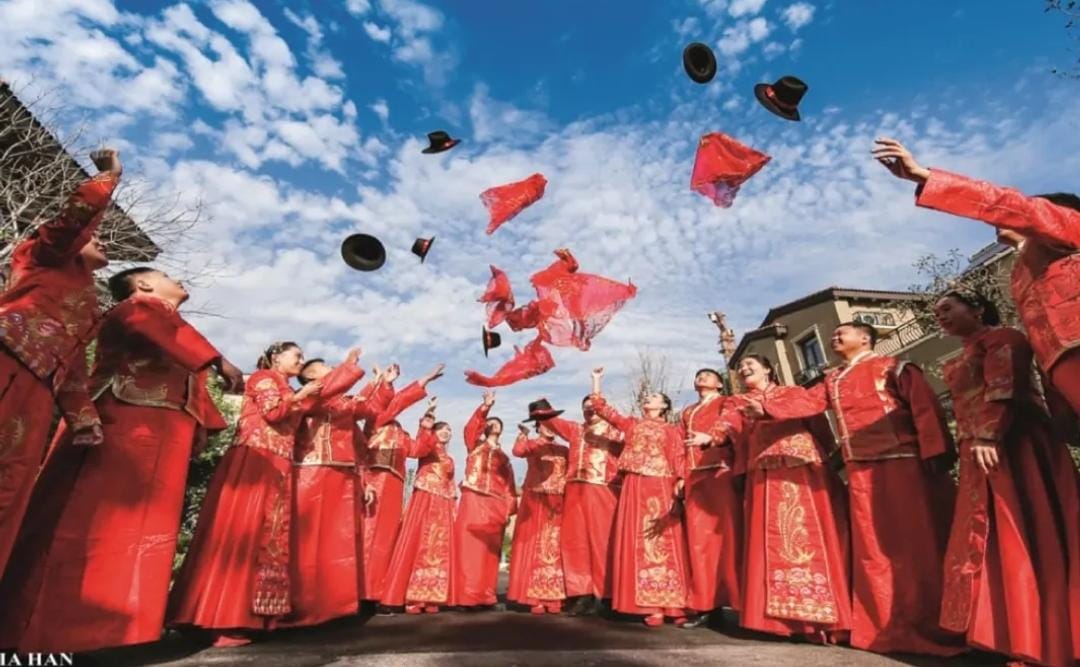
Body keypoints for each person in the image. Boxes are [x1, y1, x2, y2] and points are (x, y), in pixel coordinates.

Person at [0, 267, 243, 652]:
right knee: (88, 522)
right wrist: (216, 360)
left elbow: (185, 376)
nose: (179, 281)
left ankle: (118, 631)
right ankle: (43, 630)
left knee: (145, 531)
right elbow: (168, 334)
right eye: (165, 275)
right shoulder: (137, 309)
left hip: (161, 428)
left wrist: (200, 425)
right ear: (143, 284)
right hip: (121, 419)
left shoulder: (170, 326)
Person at [744, 321, 963, 655]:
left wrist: (936, 451)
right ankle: (886, 629)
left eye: (840, 332)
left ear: (865, 338)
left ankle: (934, 625)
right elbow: (807, 404)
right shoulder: (833, 379)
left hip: (902, 459)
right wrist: (767, 407)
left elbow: (924, 407)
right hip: (860, 468)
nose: (834, 336)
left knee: (915, 543)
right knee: (873, 550)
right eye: (834, 333)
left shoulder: (892, 366)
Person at [167, 342, 360, 647]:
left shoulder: (286, 386)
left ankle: (243, 616)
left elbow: (323, 395)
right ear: (275, 357)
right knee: (243, 535)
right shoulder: (263, 378)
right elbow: (273, 412)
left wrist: (346, 371)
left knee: (266, 539)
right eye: (295, 354)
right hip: (255, 460)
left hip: (277, 464)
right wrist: (301, 394)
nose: (299, 359)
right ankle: (222, 618)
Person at [873, 137, 1080, 418]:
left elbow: (1008, 204)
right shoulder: (1019, 273)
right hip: (1061, 369)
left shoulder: (1069, 225)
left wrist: (924, 176)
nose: (1002, 220)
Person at [933, 291, 1080, 667]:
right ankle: (1012, 632)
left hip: (1015, 444)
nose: (941, 315)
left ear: (978, 308)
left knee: (1026, 530)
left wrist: (988, 433)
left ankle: (1047, 636)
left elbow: (1004, 386)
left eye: (948, 308)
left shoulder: (1004, 338)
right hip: (977, 448)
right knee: (989, 537)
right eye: (936, 313)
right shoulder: (967, 351)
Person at [0, 149, 122, 578]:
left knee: (10, 489)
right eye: (96, 236)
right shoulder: (41, 255)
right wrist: (108, 177)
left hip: (38, 389)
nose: (102, 240)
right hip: (6, 360)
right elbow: (70, 223)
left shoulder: (87, 299)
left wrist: (82, 417)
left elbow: (70, 365)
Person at [723, 355, 851, 643]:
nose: (744, 369)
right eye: (741, 367)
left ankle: (822, 618)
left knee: (810, 533)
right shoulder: (737, 402)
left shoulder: (793, 393)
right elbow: (734, 433)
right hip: (763, 468)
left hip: (800, 460)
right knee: (771, 539)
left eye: (750, 363)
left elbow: (816, 419)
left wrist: (829, 454)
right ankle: (780, 621)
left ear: (768, 369)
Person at [285, 357, 391, 627]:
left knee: (339, 540)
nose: (332, 369)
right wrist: (349, 367)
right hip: (312, 470)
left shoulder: (343, 402)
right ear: (310, 376)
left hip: (343, 472)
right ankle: (302, 604)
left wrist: (384, 385)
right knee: (309, 540)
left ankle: (334, 606)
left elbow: (371, 408)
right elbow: (331, 388)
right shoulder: (309, 397)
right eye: (325, 367)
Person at [590, 367, 690, 627]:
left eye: (655, 397)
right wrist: (597, 381)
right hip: (635, 484)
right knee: (639, 539)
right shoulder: (632, 424)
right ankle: (650, 605)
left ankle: (674, 604)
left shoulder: (672, 429)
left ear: (664, 405)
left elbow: (678, 455)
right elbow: (603, 409)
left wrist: (680, 480)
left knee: (665, 538)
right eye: (647, 396)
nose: (649, 398)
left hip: (661, 482)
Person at [359, 364, 445, 604]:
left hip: (394, 484)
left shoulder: (400, 432)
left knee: (387, 539)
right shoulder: (375, 421)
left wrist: (426, 427)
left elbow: (418, 450)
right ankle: (361, 589)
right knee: (368, 534)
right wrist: (419, 382)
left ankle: (376, 590)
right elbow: (393, 403)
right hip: (376, 480)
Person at [546, 397, 623, 615]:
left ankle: (609, 595)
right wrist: (540, 405)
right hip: (574, 487)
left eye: (593, 406)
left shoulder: (615, 430)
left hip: (602, 486)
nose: (589, 410)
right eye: (585, 407)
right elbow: (552, 421)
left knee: (603, 540)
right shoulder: (575, 429)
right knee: (575, 542)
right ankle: (582, 594)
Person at [380, 399, 457, 614]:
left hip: (443, 501)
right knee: (419, 541)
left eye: (449, 430)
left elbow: (450, 482)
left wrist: (452, 503)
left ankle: (432, 596)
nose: (446, 433)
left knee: (438, 547)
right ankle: (413, 596)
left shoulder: (449, 457)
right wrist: (428, 420)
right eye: (442, 429)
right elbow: (419, 446)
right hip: (426, 498)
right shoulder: (429, 445)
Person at [679, 368, 742, 627]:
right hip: (695, 477)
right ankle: (707, 604)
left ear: (719, 382)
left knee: (730, 537)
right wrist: (680, 476)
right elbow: (681, 445)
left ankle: (742, 604)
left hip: (721, 473)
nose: (701, 378)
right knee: (698, 542)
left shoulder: (727, 402)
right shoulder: (687, 412)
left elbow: (731, 427)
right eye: (698, 375)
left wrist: (713, 439)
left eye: (707, 375)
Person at [454, 390, 517, 609]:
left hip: (495, 504)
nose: (494, 424)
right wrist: (485, 407)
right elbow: (470, 428)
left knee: (490, 551)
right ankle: (466, 596)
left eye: (497, 422)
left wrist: (508, 511)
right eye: (490, 422)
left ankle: (486, 596)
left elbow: (510, 486)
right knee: (469, 547)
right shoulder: (475, 445)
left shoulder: (505, 458)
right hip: (473, 497)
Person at [506, 401, 569, 615]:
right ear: (537, 426)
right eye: (543, 423)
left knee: (554, 547)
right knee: (534, 546)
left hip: (559, 503)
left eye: (552, 422)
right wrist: (526, 437)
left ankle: (555, 596)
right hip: (536, 501)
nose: (549, 426)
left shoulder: (564, 449)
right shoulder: (532, 445)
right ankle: (534, 596)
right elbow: (517, 451)